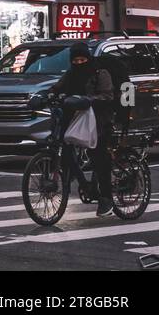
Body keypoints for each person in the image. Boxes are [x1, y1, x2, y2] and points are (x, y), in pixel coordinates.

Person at [49, 41, 116, 217]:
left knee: (99, 156)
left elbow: (107, 95)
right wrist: (48, 95)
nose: (79, 63)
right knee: (64, 143)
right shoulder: (70, 74)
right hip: (75, 118)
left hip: (98, 119)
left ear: (87, 57)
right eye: (75, 60)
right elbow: (58, 87)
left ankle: (106, 199)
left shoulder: (100, 72)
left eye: (82, 59)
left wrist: (89, 100)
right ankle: (79, 180)